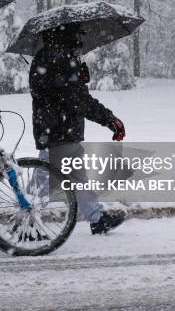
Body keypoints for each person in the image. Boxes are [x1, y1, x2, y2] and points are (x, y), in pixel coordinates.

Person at [29, 24, 127, 235]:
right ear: (65, 35)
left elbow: (64, 94)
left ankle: (96, 217)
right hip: (58, 130)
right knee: (44, 180)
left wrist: (78, 77)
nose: (81, 42)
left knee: (74, 178)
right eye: (77, 36)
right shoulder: (60, 59)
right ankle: (27, 223)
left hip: (58, 129)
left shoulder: (49, 57)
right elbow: (78, 100)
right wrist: (109, 119)